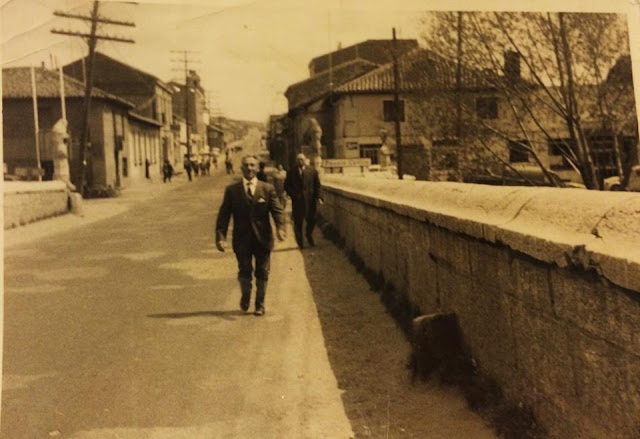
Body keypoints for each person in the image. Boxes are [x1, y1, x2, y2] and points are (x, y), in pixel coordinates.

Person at [215, 155, 286, 316]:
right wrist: (221, 238)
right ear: (241, 168)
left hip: (263, 239)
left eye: (252, 165)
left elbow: (277, 211)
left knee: (263, 271)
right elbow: (223, 216)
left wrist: (280, 228)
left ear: (256, 168)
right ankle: (246, 295)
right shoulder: (232, 191)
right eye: (246, 165)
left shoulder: (267, 189)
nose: (249, 168)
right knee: (244, 270)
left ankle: (260, 305)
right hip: (242, 240)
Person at [285, 152, 321, 248]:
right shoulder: (291, 172)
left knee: (312, 219)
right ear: (296, 161)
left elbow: (317, 185)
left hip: (311, 201)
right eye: (298, 160)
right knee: (298, 223)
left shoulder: (312, 171)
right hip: (297, 202)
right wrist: (293, 195)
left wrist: (319, 197)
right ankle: (300, 242)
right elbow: (286, 186)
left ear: (305, 160)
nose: (300, 161)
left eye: (302, 159)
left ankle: (308, 235)